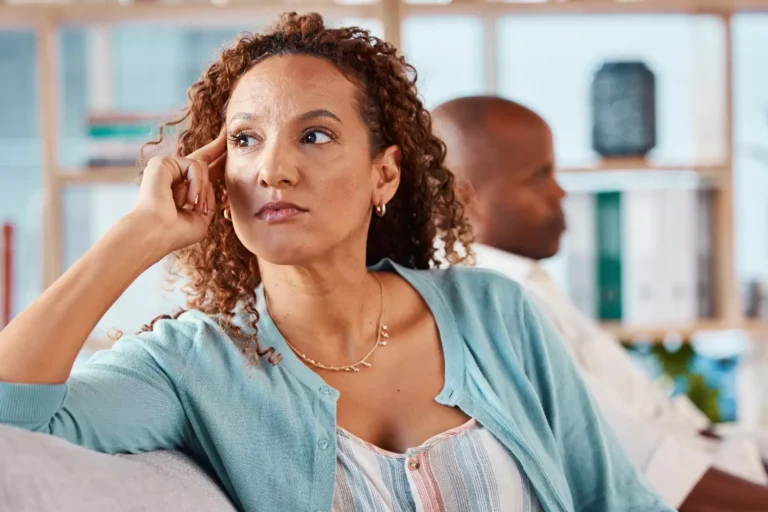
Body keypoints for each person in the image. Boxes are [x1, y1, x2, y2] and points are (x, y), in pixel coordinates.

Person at [0, 14, 669, 512]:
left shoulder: (496, 314)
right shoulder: (194, 364)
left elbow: (619, 501)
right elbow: (12, 416)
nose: (274, 168)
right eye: (245, 140)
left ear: (385, 174)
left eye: (314, 136)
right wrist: (139, 232)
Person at [432, 94, 768, 512]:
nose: (560, 192)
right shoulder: (491, 309)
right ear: (466, 198)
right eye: (539, 177)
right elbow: (643, 466)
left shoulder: (530, 284)